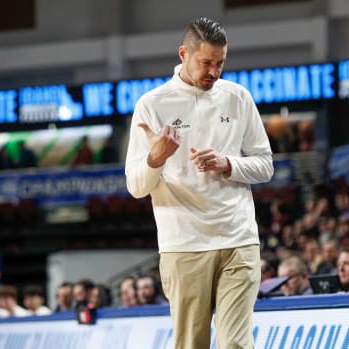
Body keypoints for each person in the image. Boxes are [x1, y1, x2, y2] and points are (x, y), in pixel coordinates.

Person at [124, 17, 273, 349]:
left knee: (236, 343)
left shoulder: (238, 97)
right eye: (206, 62)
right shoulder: (152, 105)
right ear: (183, 54)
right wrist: (156, 158)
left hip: (239, 239)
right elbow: (136, 186)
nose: (214, 71)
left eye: (220, 63)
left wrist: (228, 163)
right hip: (184, 245)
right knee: (192, 344)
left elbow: (265, 165)